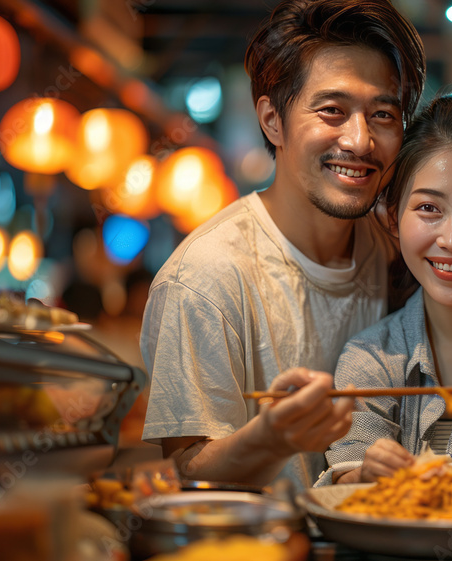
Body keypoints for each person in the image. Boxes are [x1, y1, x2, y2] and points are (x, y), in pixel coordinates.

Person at [139, 0, 425, 488]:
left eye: (382, 114)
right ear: (273, 121)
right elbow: (185, 470)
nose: (359, 141)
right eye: (332, 111)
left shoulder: (402, 254)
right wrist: (271, 436)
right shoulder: (205, 278)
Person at [319, 91, 452, 485]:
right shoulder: (373, 360)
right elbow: (344, 475)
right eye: (428, 209)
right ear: (392, 218)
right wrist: (365, 473)